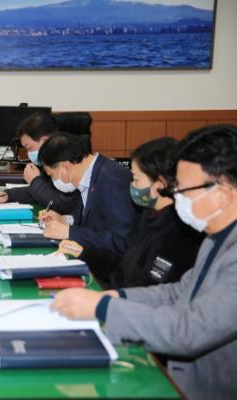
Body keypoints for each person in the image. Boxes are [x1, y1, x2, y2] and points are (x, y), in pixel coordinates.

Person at [51, 125, 237, 399]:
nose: (175, 196)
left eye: (183, 190)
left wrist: (105, 307)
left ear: (222, 194)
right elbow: (178, 291)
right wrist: (117, 296)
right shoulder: (215, 237)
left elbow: (190, 329)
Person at [57, 137, 203, 288]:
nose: (131, 185)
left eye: (136, 179)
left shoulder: (178, 233)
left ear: (160, 184)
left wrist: (108, 296)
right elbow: (125, 265)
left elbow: (150, 287)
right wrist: (84, 254)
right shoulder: (149, 215)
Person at [37, 132, 139, 268]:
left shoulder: (112, 180)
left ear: (65, 167)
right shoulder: (89, 176)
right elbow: (94, 221)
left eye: (51, 175)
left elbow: (121, 242)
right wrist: (65, 220)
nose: (53, 180)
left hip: (110, 270)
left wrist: (69, 232)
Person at [0, 113, 81, 215]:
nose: (29, 153)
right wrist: (8, 195)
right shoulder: (51, 160)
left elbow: (64, 205)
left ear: (45, 140)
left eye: (30, 148)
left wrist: (35, 181)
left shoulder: (67, 161)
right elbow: (39, 192)